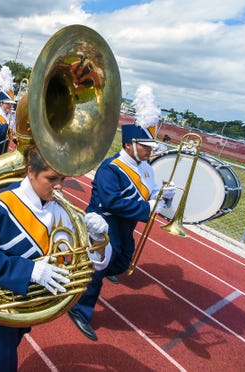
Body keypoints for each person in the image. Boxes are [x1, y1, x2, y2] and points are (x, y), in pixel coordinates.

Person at [0, 145, 112, 371]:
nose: (60, 186)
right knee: (2, 362)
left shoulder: (62, 209)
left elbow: (95, 263)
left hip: (29, 301)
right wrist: (29, 270)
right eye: (52, 179)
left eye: (63, 178)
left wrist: (97, 238)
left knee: (7, 344)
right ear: (30, 171)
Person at [67, 85, 177, 341]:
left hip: (126, 226)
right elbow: (112, 202)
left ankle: (94, 274)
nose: (151, 151)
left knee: (123, 261)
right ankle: (79, 308)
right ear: (130, 144)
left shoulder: (146, 168)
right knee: (97, 267)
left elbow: (149, 193)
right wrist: (147, 207)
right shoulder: (111, 168)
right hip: (102, 225)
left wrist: (163, 196)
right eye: (146, 147)